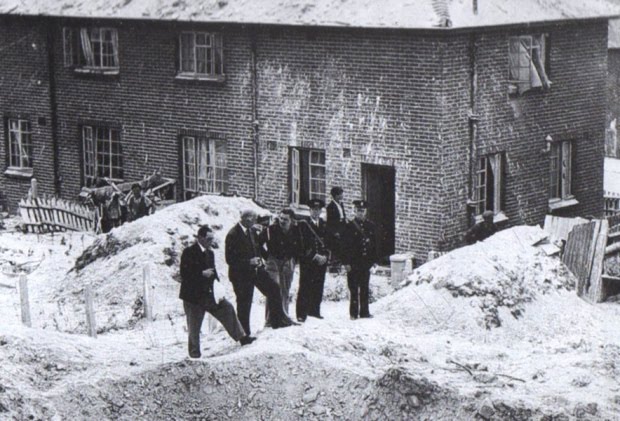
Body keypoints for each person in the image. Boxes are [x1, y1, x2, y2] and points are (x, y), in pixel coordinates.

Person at [179, 225, 256, 359]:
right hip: (193, 297)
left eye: (212, 239)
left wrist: (218, 288)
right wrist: (201, 274)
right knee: (194, 327)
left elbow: (213, 273)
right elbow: (184, 274)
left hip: (209, 295)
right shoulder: (189, 252)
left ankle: (242, 337)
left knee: (227, 308)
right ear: (200, 238)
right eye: (208, 239)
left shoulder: (210, 253)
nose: (211, 242)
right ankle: (194, 354)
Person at [225, 209, 296, 335]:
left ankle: (277, 322)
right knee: (244, 303)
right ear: (246, 218)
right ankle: (244, 335)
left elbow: (257, 247)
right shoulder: (233, 234)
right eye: (253, 219)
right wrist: (248, 261)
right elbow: (230, 259)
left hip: (255, 271)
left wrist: (263, 258)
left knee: (273, 289)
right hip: (240, 275)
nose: (255, 221)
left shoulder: (251, 231)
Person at [258, 208, 303, 322]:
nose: (282, 221)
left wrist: (293, 259)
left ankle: (284, 317)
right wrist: (266, 256)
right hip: (273, 262)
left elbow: (300, 246)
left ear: (291, 220)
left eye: (285, 219)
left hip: (288, 262)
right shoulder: (270, 230)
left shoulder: (296, 231)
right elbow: (257, 243)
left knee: (285, 289)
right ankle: (270, 319)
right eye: (281, 218)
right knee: (273, 289)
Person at [341, 200, 378, 320]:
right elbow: (344, 246)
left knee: (364, 288)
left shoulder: (371, 226)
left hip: (365, 262)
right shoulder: (349, 226)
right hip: (353, 263)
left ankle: (364, 312)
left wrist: (373, 262)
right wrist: (346, 262)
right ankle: (353, 313)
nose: (360, 213)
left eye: (362, 211)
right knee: (353, 288)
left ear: (366, 212)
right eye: (358, 211)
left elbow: (374, 245)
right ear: (354, 211)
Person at [297, 199, 330, 322]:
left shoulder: (324, 225)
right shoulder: (304, 225)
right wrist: (314, 256)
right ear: (309, 210)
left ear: (321, 211)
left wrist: (325, 256)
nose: (316, 212)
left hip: (321, 261)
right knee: (305, 286)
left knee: (318, 285)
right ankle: (301, 313)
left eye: (318, 210)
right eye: (313, 210)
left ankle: (314, 310)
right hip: (308, 261)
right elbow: (302, 244)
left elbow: (328, 242)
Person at [326, 186, 347, 263]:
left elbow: (343, 216)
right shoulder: (330, 207)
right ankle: (334, 262)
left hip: (342, 227)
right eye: (341, 194)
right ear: (336, 195)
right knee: (336, 247)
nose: (342, 196)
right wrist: (335, 232)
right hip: (336, 229)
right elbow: (330, 222)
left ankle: (341, 261)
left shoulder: (341, 204)